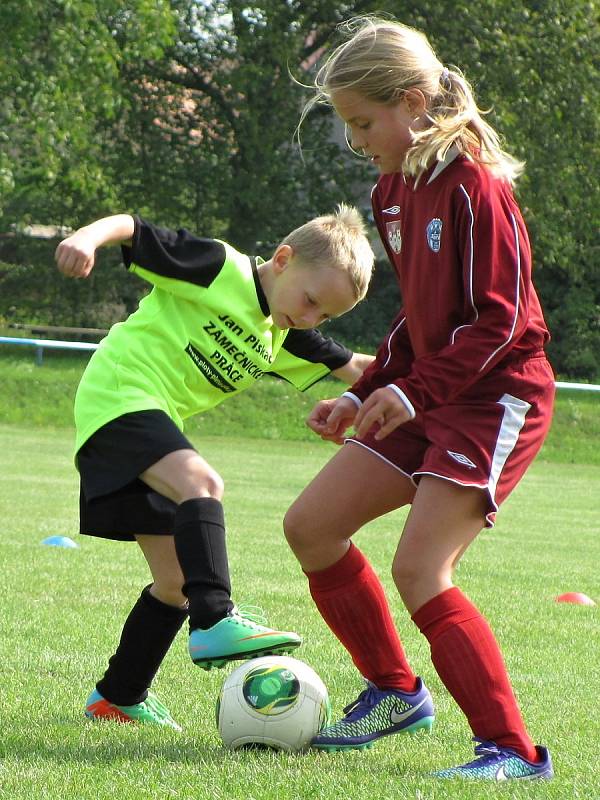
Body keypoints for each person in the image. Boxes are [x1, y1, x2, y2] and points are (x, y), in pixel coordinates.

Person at [285, 16, 555, 781]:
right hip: (427, 391)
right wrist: (366, 391)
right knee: (311, 527)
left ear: (410, 103)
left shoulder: (475, 185)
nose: (355, 139)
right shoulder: (393, 188)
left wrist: (412, 391)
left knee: (420, 570)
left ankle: (513, 752)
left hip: (497, 396)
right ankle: (395, 692)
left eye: (363, 122)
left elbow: (500, 323)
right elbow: (420, 317)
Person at [55, 205, 374, 731]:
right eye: (311, 300)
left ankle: (118, 696)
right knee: (202, 483)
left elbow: (358, 367)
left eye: (326, 315)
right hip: (118, 394)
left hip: (153, 419)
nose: (313, 318)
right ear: (283, 258)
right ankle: (216, 619)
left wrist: (429, 379)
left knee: (176, 580)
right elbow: (134, 228)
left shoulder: (280, 333)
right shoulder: (220, 268)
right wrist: (87, 239)